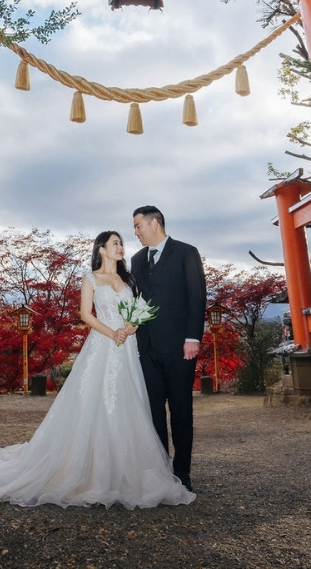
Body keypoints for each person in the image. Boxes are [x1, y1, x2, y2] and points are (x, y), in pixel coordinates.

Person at [0, 231, 195, 509]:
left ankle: (127, 469)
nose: (121, 247)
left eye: (121, 242)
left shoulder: (128, 280)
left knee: (129, 404)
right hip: (104, 345)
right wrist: (113, 333)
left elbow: (134, 311)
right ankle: (87, 471)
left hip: (129, 350)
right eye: (115, 243)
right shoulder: (91, 278)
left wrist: (131, 326)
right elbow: (86, 315)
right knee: (95, 404)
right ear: (101, 250)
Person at [131, 205, 206, 493]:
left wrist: (192, 337)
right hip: (146, 347)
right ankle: (160, 470)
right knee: (153, 412)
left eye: (138, 225)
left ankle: (182, 472)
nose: (135, 232)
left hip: (180, 347)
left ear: (155, 224)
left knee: (181, 409)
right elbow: (137, 300)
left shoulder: (186, 252)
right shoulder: (137, 260)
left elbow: (197, 295)